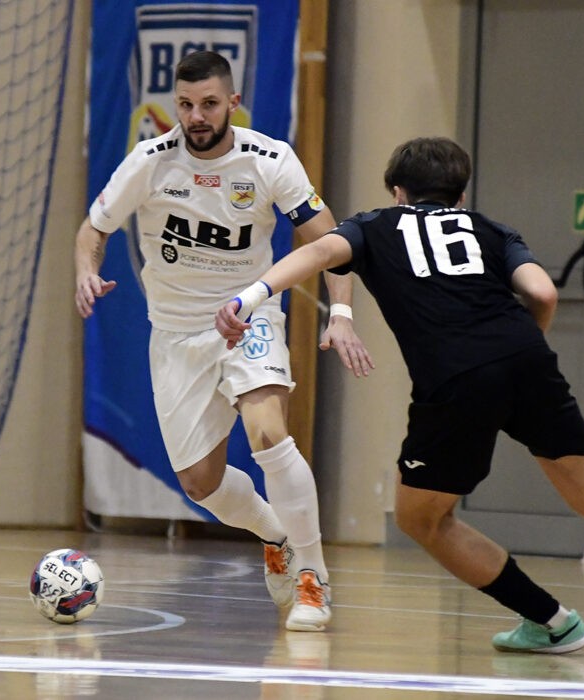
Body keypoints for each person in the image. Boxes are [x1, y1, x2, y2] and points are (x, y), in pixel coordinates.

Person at [215, 137, 584, 657]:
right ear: (461, 195)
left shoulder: (375, 225)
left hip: (455, 378)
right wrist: (520, 354)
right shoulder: (490, 230)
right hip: (525, 357)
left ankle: (551, 621)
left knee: (421, 518)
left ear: (398, 192)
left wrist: (249, 297)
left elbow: (318, 253)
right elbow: (542, 292)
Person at [74, 50, 374, 632]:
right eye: (186, 105)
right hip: (176, 334)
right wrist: (87, 270)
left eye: (209, 103)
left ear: (233, 102)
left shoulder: (269, 159)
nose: (196, 116)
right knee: (200, 484)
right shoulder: (149, 162)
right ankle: (276, 533)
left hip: (247, 316)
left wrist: (341, 313)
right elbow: (93, 228)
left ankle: (312, 577)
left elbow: (332, 242)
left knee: (268, 435)